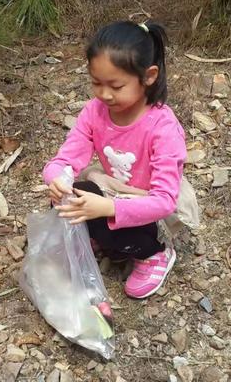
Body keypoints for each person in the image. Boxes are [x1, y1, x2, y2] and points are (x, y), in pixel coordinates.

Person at [44, 20, 191, 299]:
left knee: (119, 230)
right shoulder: (95, 112)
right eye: (96, 83)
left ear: (148, 76)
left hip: (150, 204)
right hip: (115, 189)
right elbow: (66, 158)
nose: (104, 94)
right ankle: (101, 237)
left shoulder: (162, 128)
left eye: (116, 85)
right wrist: (57, 179)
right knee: (69, 197)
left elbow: (163, 200)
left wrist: (107, 207)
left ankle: (154, 254)